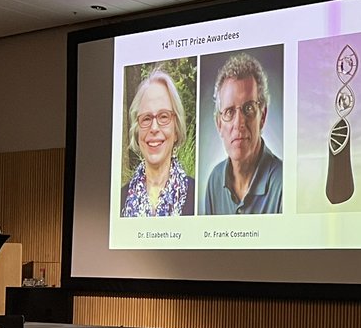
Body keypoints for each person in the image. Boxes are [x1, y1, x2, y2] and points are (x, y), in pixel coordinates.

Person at [203, 53, 282, 215]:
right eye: (229, 111)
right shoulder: (214, 180)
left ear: (263, 116)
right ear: (219, 124)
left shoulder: (283, 182)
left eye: (249, 108)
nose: (239, 123)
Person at [120, 69, 195, 217]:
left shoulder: (197, 196)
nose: (154, 128)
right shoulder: (119, 199)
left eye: (163, 116)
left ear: (176, 129)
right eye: (147, 118)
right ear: (137, 129)